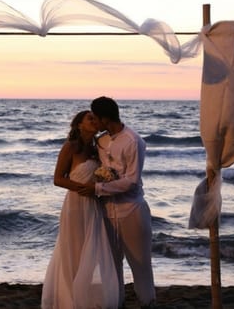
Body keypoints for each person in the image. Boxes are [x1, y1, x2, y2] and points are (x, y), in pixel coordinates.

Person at [79, 96, 156, 308]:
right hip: (106, 212)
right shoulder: (101, 141)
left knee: (140, 264)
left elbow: (132, 181)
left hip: (131, 210)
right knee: (111, 265)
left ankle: (147, 303)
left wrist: (98, 188)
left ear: (105, 118)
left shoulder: (133, 141)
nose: (95, 122)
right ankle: (116, 303)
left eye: (96, 118)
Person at [41, 110, 119, 309]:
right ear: (79, 125)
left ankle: (84, 293)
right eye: (90, 118)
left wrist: (102, 183)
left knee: (91, 252)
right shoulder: (71, 147)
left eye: (96, 118)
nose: (95, 121)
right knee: (74, 250)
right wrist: (83, 188)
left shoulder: (97, 149)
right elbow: (58, 179)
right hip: (75, 205)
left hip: (93, 205)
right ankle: (70, 299)